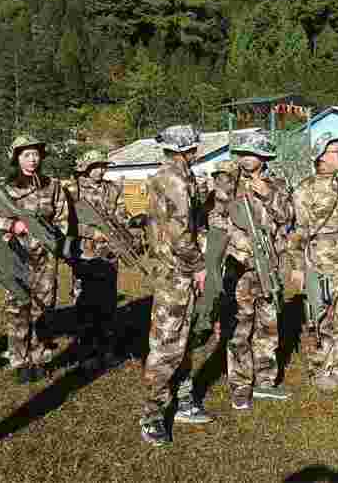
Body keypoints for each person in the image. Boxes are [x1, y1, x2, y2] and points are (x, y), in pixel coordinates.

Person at [138, 124, 215, 445]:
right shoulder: (174, 180)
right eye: (195, 147)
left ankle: (183, 400)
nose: (197, 151)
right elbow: (181, 234)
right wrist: (199, 266)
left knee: (184, 339)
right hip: (175, 273)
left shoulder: (177, 175)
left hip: (177, 270)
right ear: (188, 149)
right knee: (167, 343)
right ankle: (152, 414)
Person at [0, 135, 69, 384]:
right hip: (15, 255)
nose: (32, 159)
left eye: (35, 154)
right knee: (18, 307)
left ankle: (39, 357)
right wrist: (12, 225)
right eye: (26, 155)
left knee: (44, 307)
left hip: (45, 257)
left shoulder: (52, 186)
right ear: (16, 158)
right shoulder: (3, 187)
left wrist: (54, 239)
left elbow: (62, 218)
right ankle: (20, 360)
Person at [219, 131, 293, 410]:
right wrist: (238, 241)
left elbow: (288, 216)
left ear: (264, 157)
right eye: (243, 153)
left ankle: (265, 381)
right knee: (239, 328)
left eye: (253, 153)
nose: (247, 158)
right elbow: (214, 218)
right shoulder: (227, 182)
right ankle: (240, 386)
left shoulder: (278, 183)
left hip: (269, 264)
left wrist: (269, 195)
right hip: (239, 266)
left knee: (268, 326)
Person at [290, 132, 338, 390]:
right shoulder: (305, 189)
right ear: (321, 157)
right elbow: (299, 232)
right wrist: (298, 267)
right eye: (336, 152)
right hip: (319, 259)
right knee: (320, 317)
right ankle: (319, 370)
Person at [66, 149, 133, 371]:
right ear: (85, 168)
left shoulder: (112, 189)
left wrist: (127, 228)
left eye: (103, 166)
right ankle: (87, 354)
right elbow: (65, 222)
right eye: (96, 166)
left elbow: (122, 215)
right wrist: (90, 233)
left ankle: (107, 350)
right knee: (85, 303)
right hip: (84, 254)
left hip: (110, 253)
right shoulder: (73, 191)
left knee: (108, 303)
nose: (101, 170)